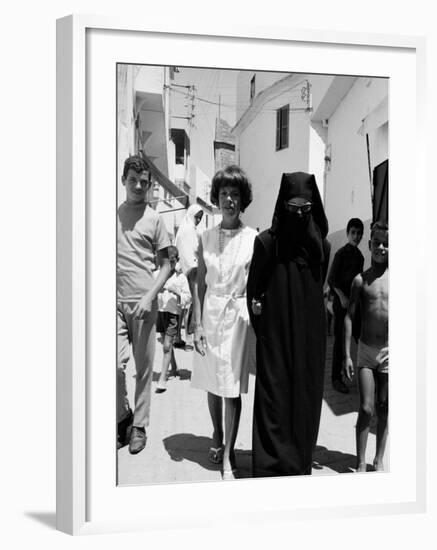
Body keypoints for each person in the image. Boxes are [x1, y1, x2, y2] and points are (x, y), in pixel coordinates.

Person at [247, 172, 330, 478]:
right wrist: (265, 331)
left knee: (304, 400)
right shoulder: (267, 244)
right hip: (276, 339)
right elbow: (252, 292)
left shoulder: (321, 248)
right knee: (274, 398)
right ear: (282, 205)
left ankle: (299, 464)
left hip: (309, 341)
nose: (297, 214)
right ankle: (269, 466)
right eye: (292, 207)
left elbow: (317, 288)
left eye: (304, 208)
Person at [191, 165, 257, 480]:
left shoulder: (253, 238)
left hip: (237, 317)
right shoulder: (204, 237)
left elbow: (258, 282)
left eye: (234, 194)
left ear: (243, 199)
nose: (229, 199)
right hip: (211, 314)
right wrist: (197, 325)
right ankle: (217, 434)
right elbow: (200, 283)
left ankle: (229, 454)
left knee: (231, 388)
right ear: (216, 199)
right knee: (212, 382)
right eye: (223, 194)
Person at [117, 155, 171, 454]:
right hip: (114, 304)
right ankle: (123, 416)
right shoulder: (112, 215)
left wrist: (149, 296)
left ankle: (138, 425)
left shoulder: (155, 219)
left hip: (144, 304)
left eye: (144, 182)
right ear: (123, 180)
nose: (138, 185)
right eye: (133, 180)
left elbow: (166, 266)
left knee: (143, 368)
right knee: (113, 366)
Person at [343, 221, 389, 472]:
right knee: (366, 407)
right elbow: (349, 316)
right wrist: (346, 356)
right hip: (365, 350)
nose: (381, 247)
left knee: (385, 407)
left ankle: (379, 458)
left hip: (389, 352)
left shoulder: (397, 279)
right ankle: (360, 460)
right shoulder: (361, 281)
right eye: (377, 243)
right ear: (369, 245)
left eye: (386, 244)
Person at [328, 218, 364, 393]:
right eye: (353, 233)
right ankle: (336, 378)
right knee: (340, 341)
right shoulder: (340, 254)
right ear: (347, 233)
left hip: (354, 306)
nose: (356, 236)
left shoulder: (360, 257)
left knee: (360, 336)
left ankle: (367, 373)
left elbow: (358, 282)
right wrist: (341, 296)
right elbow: (331, 279)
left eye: (359, 233)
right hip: (340, 304)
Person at [155, 248, 191, 393]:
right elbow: (148, 291)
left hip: (173, 314)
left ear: (177, 260)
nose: (170, 263)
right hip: (160, 312)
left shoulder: (180, 278)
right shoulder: (157, 275)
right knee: (166, 344)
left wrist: (176, 292)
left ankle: (162, 379)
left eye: (173, 260)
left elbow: (188, 297)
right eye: (167, 260)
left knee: (166, 346)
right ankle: (174, 367)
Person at [174, 204, 204, 347]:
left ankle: (184, 337)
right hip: (191, 272)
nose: (198, 220)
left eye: (200, 218)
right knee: (190, 307)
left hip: (189, 271)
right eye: (196, 217)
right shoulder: (188, 230)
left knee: (186, 309)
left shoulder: (185, 229)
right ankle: (189, 338)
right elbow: (189, 254)